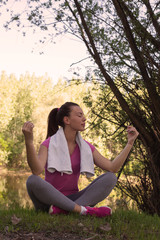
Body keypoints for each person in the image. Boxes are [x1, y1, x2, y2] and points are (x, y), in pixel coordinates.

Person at [22, 102, 139, 217]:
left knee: (110, 177)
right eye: (79, 115)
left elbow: (112, 167)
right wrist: (29, 141)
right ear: (67, 120)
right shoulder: (48, 144)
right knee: (32, 180)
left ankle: (68, 210)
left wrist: (130, 143)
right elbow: (37, 171)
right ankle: (81, 210)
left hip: (75, 198)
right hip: (49, 201)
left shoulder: (86, 147)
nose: (84, 119)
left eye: (83, 115)